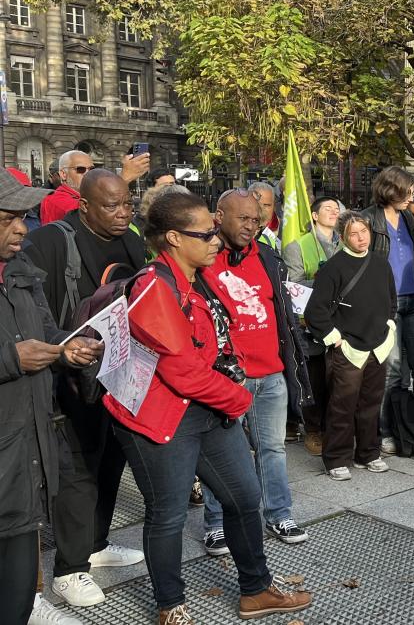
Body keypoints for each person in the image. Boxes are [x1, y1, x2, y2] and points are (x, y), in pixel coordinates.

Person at [105, 190, 311, 624]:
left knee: (244, 496)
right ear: (175, 239)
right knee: (168, 513)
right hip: (162, 418)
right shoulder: (153, 288)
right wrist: (240, 399)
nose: (217, 240)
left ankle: (255, 590)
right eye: (207, 233)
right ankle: (170, 606)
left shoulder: (197, 275)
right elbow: (183, 372)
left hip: (206, 409)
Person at [23, 169, 147, 608]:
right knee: (76, 470)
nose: (122, 213)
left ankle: (96, 544)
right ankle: (69, 570)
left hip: (118, 373)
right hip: (69, 378)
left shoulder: (132, 238)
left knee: (111, 460)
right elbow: (35, 312)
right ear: (84, 205)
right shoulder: (53, 242)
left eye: (128, 204)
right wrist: (61, 350)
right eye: (111, 206)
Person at [0, 170, 101, 625]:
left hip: (27, 450)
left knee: (19, 580)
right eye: (7, 218)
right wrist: (9, 359)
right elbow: (17, 353)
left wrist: (68, 349)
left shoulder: (21, 271)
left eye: (22, 217)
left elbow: (45, 334)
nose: (22, 228)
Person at [199, 188, 313, 556]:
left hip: (271, 375)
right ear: (219, 216)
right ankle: (216, 523)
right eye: (242, 218)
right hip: (228, 377)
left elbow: (282, 313)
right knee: (224, 454)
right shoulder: (201, 258)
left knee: (273, 449)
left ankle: (279, 513)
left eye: (256, 218)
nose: (251, 225)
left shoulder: (267, 256)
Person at [304, 210, 394, 480]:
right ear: (343, 237)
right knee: (342, 405)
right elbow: (315, 311)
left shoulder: (381, 264)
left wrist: (390, 327)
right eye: (353, 233)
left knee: (370, 403)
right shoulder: (333, 268)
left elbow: (391, 300)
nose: (360, 238)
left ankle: (368, 452)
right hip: (347, 348)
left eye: (364, 231)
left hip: (378, 346)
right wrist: (335, 339)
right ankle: (336, 458)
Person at [360, 167, 414, 457]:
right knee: (394, 370)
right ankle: (385, 430)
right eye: (407, 190)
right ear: (391, 189)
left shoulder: (408, 219)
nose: (412, 196)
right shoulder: (368, 218)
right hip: (387, 304)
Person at [282, 196, 342, 456]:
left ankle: (335, 428)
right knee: (314, 379)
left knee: (337, 380)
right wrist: (325, 285)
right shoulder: (298, 246)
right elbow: (293, 286)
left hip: (342, 324)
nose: (334, 212)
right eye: (327, 208)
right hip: (310, 324)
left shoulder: (344, 242)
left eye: (337, 209)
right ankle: (314, 430)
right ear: (314, 216)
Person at [41, 150, 149, 224]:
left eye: (91, 169)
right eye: (80, 170)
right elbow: (94, 214)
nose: (88, 174)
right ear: (63, 174)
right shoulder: (56, 199)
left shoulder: (84, 196)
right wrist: (123, 179)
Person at [248, 182, 281, 251]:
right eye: (257, 204)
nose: (261, 209)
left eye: (266, 205)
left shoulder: (285, 230)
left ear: (274, 207)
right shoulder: (237, 232)